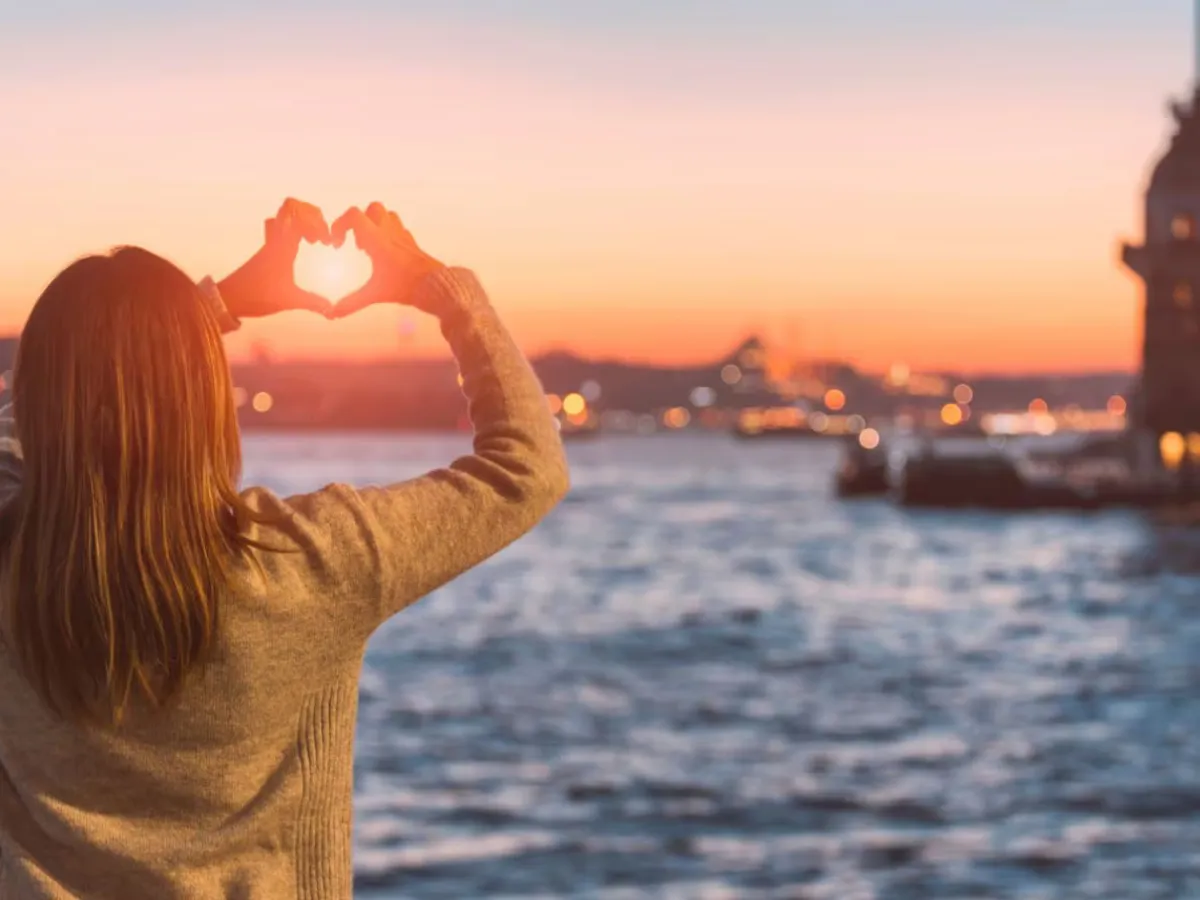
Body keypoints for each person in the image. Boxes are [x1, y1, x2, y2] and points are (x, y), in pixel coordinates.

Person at [0, 199, 570, 898]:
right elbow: (528, 467)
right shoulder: (314, 564)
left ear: (32, 392)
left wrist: (212, 306)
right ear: (208, 395)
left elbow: (23, 437)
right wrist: (437, 289)